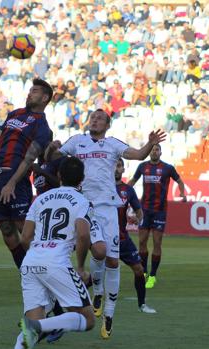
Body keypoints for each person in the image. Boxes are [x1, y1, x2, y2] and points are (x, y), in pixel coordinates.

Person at [45, 109, 166, 339]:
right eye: (92, 117)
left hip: (108, 208)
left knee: (111, 259)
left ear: (107, 125)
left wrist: (150, 144)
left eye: (100, 118)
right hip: (83, 206)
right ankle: (96, 291)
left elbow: (138, 155)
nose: (95, 119)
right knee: (94, 253)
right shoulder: (77, 141)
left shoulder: (112, 144)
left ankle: (108, 314)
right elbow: (53, 158)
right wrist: (51, 149)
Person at [15, 157, 94, 349]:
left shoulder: (41, 198)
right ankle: (36, 325)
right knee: (88, 319)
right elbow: (83, 235)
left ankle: (34, 327)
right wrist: (81, 267)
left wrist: (38, 255)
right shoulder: (82, 201)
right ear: (82, 178)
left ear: (59, 175)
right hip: (57, 262)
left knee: (30, 336)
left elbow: (25, 238)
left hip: (31, 262)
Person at [0, 79, 54, 269]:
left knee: (26, 230)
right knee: (6, 229)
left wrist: (12, 182)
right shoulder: (14, 114)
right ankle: (26, 273)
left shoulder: (42, 127)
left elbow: (30, 157)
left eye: (35, 91)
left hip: (17, 180)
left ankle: (49, 270)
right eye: (30, 90)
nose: (30, 93)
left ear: (45, 98)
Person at [128, 144, 186, 289]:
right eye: (152, 150)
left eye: (157, 150)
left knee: (157, 242)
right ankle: (145, 272)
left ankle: (153, 275)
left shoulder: (168, 168)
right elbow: (132, 182)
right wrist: (121, 191)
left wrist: (182, 193)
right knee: (141, 242)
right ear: (150, 152)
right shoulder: (142, 166)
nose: (154, 152)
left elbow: (179, 180)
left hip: (160, 210)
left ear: (161, 152)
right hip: (144, 210)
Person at [114, 158, 156, 313]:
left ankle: (142, 305)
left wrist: (138, 218)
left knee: (139, 269)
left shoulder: (128, 190)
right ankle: (78, 302)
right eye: (113, 165)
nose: (116, 169)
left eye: (119, 166)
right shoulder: (102, 188)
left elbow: (138, 210)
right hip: (104, 240)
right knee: (99, 273)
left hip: (123, 239)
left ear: (123, 170)